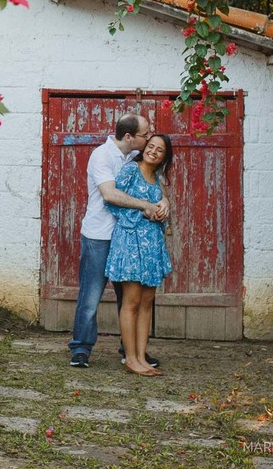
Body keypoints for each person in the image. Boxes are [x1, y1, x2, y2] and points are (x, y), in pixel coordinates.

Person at [67, 114, 168, 369]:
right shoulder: (102, 156)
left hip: (128, 238)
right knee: (91, 295)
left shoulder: (133, 158)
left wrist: (164, 201)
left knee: (130, 298)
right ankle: (81, 349)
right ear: (128, 137)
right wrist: (146, 206)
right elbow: (110, 194)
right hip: (100, 235)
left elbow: (154, 183)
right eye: (145, 135)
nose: (148, 138)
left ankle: (131, 351)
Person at [106, 133, 175, 377]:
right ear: (144, 147)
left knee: (147, 303)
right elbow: (113, 202)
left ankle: (142, 358)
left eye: (160, 150)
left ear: (164, 157)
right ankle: (130, 358)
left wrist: (164, 208)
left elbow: (160, 206)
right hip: (131, 242)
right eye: (151, 146)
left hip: (152, 245)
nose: (153, 152)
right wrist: (143, 212)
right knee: (132, 301)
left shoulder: (158, 179)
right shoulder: (130, 171)